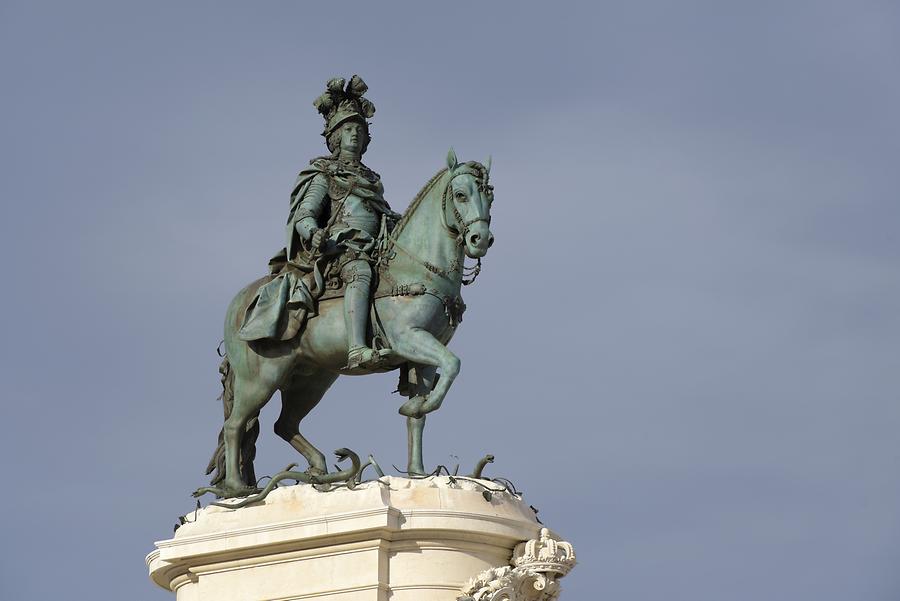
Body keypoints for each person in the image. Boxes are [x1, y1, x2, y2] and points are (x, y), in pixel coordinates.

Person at [281, 75, 398, 369]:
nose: (355, 135)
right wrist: (315, 233)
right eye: (348, 129)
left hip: (376, 247)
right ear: (336, 136)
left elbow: (383, 216)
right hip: (341, 250)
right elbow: (303, 215)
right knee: (359, 271)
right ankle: (357, 348)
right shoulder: (325, 173)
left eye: (359, 129)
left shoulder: (372, 179)